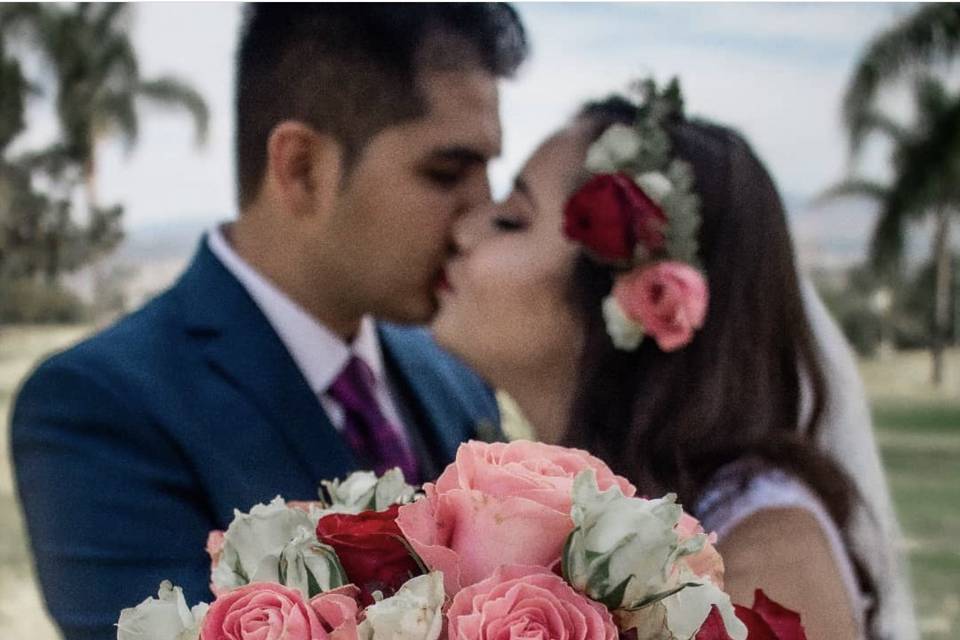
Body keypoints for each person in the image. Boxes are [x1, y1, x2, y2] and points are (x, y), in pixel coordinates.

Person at [11, 5, 527, 639]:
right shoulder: (100, 410)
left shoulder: (452, 369)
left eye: (491, 172)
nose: (483, 215)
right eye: (447, 173)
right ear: (302, 167)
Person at [432, 81, 915, 639]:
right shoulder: (552, 508)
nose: (464, 229)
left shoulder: (766, 557)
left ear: (633, 300)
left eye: (513, 219)